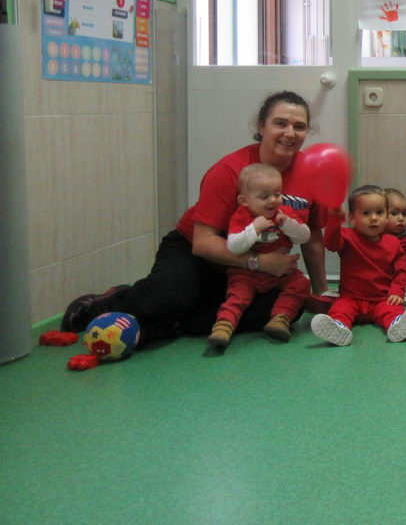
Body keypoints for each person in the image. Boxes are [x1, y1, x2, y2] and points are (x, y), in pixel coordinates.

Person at [61, 91, 328, 343]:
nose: (289, 133)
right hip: (196, 253)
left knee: (286, 309)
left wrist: (321, 292)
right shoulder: (229, 170)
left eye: (299, 126)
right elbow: (202, 242)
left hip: (244, 272)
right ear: (261, 127)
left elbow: (313, 237)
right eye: (280, 123)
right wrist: (260, 263)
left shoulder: (313, 175)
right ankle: (111, 302)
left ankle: (175, 322)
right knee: (167, 298)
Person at [207, 163, 312, 347]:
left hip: (279, 273)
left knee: (301, 284)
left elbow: (304, 236)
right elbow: (234, 246)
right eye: (264, 197)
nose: (273, 200)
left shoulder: (284, 213)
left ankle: (281, 318)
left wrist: (287, 224)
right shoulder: (242, 216)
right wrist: (255, 228)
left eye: (277, 194)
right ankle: (224, 325)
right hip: (246, 273)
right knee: (238, 296)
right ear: (245, 201)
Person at [310, 186, 406, 346]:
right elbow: (330, 243)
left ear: (386, 217)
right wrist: (335, 220)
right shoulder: (347, 237)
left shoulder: (393, 243)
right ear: (353, 218)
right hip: (351, 298)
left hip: (381, 299)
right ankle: (339, 327)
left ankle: (397, 324)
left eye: (379, 212)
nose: (373, 218)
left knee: (392, 309)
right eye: (366, 213)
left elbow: (400, 271)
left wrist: (397, 292)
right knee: (339, 309)